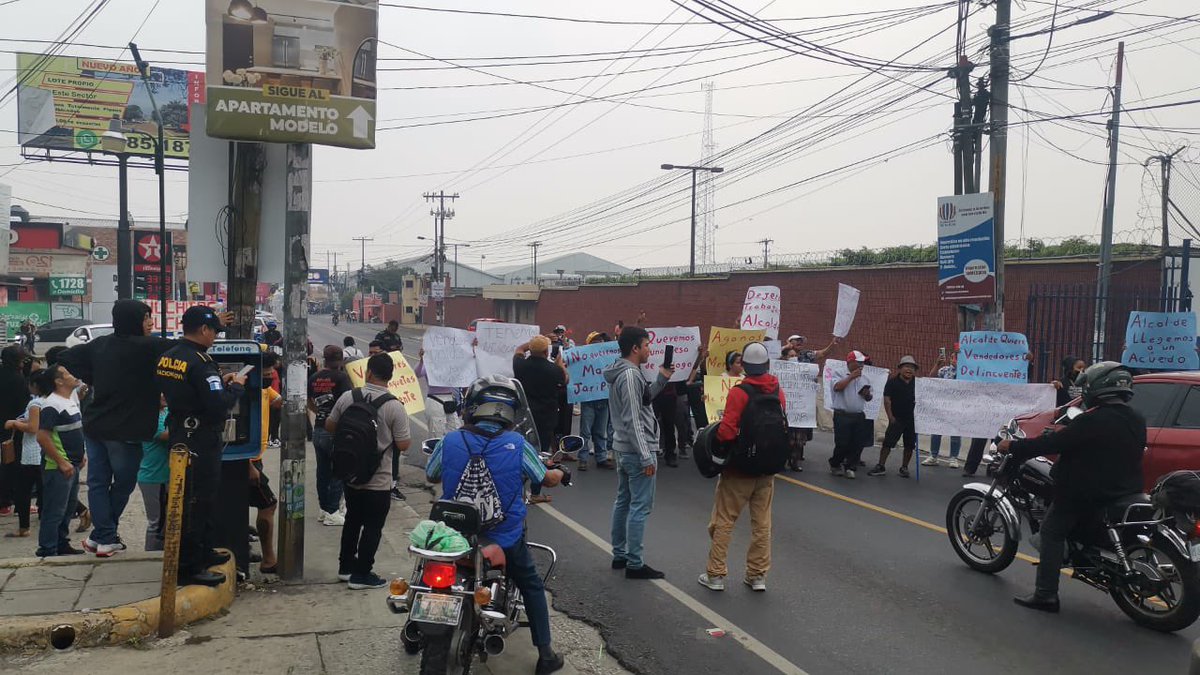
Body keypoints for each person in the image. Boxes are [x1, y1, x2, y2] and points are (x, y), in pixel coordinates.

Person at [426, 375, 568, 675]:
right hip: (502, 538)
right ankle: (545, 654)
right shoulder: (517, 445)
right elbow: (545, 478)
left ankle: (416, 630)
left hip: (455, 534)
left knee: (428, 576)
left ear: (473, 407)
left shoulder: (451, 440)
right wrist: (559, 474)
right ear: (510, 412)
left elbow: (431, 474)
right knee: (531, 584)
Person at [998, 362, 1145, 613]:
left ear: (1098, 387)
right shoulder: (1136, 418)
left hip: (1085, 494)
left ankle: (1046, 595)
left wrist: (1012, 446)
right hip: (1125, 489)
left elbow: (1053, 443)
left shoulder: (1092, 421)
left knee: (1051, 532)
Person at [60, 299, 178, 558]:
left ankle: (101, 537)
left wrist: (95, 376)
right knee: (124, 483)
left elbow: (64, 355)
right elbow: (186, 349)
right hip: (125, 431)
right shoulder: (150, 346)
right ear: (135, 320)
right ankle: (104, 535)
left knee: (98, 483)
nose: (150, 322)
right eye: (146, 317)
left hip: (94, 426)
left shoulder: (100, 344)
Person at [155, 306, 246, 586]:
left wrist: (220, 381)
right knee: (198, 500)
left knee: (193, 498)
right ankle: (190, 566)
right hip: (201, 438)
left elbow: (188, 391)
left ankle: (204, 552)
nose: (215, 337)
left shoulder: (169, 357)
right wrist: (237, 386)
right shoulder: (200, 362)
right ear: (205, 330)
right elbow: (218, 406)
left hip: (182, 431)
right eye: (215, 331)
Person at [698, 342, 782, 593]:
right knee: (762, 524)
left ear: (744, 365)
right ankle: (757, 575)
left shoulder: (739, 392)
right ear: (767, 365)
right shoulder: (777, 389)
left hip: (740, 468)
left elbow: (726, 432)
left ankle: (716, 574)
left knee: (724, 521)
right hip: (767, 468)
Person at [325, 353, 411, 589]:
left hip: (351, 475)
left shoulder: (348, 397)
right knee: (373, 526)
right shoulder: (394, 406)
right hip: (379, 479)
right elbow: (404, 444)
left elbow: (330, 426)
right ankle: (362, 574)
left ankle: (345, 567)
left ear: (368, 372)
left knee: (352, 519)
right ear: (391, 377)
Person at [604, 326, 672, 580]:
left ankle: (620, 554)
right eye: (646, 346)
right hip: (636, 450)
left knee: (623, 502)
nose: (649, 350)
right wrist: (646, 456)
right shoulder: (631, 375)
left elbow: (643, 401)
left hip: (623, 448)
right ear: (635, 348)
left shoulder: (623, 372)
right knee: (639, 507)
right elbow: (633, 418)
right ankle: (634, 562)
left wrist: (662, 379)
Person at [33, 365, 86, 557]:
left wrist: (81, 456)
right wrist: (62, 462)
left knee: (68, 508)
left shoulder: (69, 401)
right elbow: (43, 437)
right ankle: (47, 548)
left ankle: (62, 543)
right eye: (68, 374)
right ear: (59, 381)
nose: (74, 376)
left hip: (73, 464)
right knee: (55, 509)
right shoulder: (51, 404)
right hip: (58, 467)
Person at [513, 336, 567, 504]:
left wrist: (528, 344)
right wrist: (559, 362)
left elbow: (518, 350)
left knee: (520, 450)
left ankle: (517, 490)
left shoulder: (520, 365)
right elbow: (565, 379)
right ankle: (535, 492)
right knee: (541, 453)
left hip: (524, 417)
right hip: (545, 417)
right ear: (546, 352)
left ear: (532, 350)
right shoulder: (553, 370)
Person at [309, 346, 353, 526]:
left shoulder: (314, 378)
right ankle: (333, 511)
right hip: (335, 431)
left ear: (324, 358)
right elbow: (347, 402)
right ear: (341, 360)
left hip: (318, 428)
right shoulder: (341, 378)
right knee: (338, 471)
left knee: (322, 472)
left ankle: (324, 509)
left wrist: (319, 412)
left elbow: (308, 401)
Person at [252, 351, 283, 576]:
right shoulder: (246, 392)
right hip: (248, 461)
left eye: (271, 372)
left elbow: (278, 402)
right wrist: (247, 465)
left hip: (257, 458)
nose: (270, 375)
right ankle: (269, 559)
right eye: (266, 372)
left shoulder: (264, 389)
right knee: (268, 504)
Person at [5, 364, 44, 539]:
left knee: (23, 490)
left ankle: (24, 527)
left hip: (32, 452)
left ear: (35, 385)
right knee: (46, 488)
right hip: (44, 451)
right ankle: (81, 511)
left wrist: (14, 424)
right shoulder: (50, 400)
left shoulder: (35, 403)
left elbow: (33, 427)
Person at [869, 356, 919, 478]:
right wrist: (890, 417)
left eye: (912, 367)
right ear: (900, 368)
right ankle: (881, 465)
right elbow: (887, 400)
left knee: (909, 445)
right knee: (888, 443)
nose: (909, 370)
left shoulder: (917, 383)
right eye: (906, 367)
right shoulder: (892, 382)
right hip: (897, 418)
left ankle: (904, 467)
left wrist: (937, 365)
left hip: (912, 420)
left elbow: (929, 381)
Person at [829, 350, 874, 479]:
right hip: (842, 414)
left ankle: (850, 466)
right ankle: (835, 463)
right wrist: (851, 377)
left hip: (859, 415)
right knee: (842, 443)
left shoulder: (865, 378)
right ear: (850, 362)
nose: (861, 365)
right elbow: (837, 387)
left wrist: (867, 395)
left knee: (857, 443)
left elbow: (869, 397)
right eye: (859, 362)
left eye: (863, 363)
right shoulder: (839, 373)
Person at [0, 345, 31, 519]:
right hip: (15, 427)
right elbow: (23, 405)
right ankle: (12, 502)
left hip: (3, 424)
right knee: (15, 465)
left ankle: (6, 502)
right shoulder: (18, 380)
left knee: (6, 462)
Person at [136, 395, 170, 551]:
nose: (163, 395)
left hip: (166, 475)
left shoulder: (167, 411)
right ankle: (151, 555)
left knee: (168, 521)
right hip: (152, 477)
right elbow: (166, 435)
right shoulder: (148, 417)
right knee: (156, 522)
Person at [578, 332, 614, 471]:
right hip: (588, 400)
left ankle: (601, 457)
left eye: (600, 342)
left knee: (600, 431)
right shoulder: (583, 360)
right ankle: (583, 459)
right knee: (585, 432)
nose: (598, 345)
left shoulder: (608, 359)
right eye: (595, 343)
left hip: (603, 400)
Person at [922, 347, 963, 469]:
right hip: (942, 405)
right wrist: (937, 364)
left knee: (955, 433)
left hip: (957, 407)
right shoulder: (944, 370)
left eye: (956, 357)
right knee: (936, 431)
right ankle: (933, 456)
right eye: (952, 357)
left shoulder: (966, 372)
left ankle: (954, 457)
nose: (953, 360)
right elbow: (931, 379)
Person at [415, 347, 463, 439]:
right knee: (437, 434)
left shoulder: (451, 364)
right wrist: (422, 360)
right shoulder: (429, 364)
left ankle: (449, 451)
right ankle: (436, 452)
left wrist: (471, 351)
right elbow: (418, 373)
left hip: (449, 399)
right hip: (435, 399)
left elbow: (467, 367)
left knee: (455, 431)